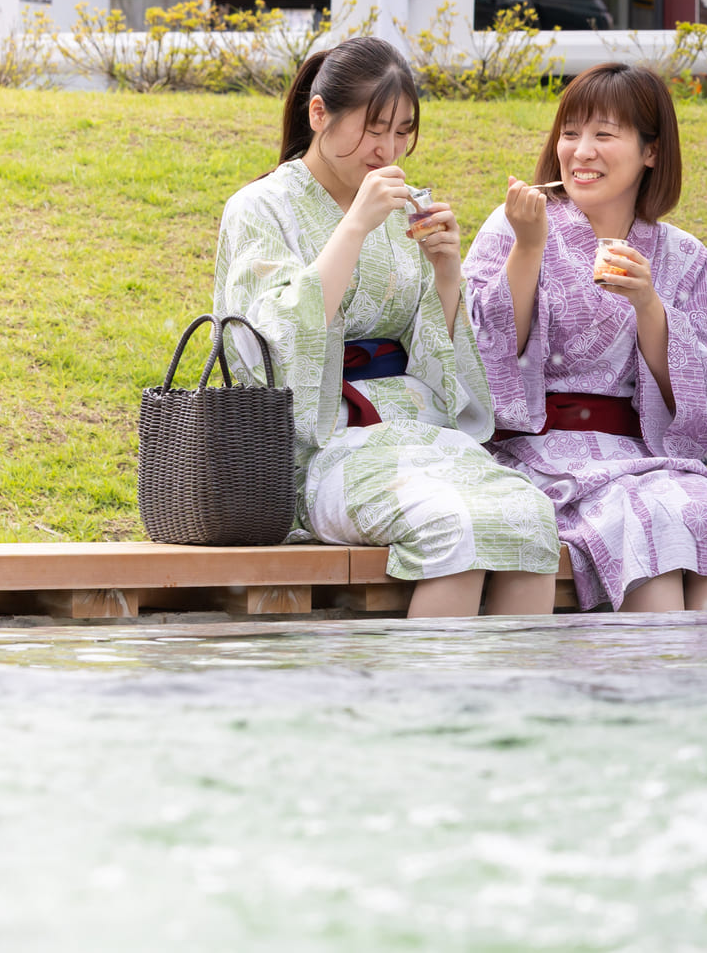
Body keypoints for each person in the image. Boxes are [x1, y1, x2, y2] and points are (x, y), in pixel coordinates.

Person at [213, 36, 559, 618]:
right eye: (375, 128)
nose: (389, 147)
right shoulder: (260, 207)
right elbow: (264, 343)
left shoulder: (400, 209)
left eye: (403, 131)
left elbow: (436, 350)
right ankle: (422, 701)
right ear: (319, 114)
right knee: (454, 526)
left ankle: (510, 704)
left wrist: (446, 269)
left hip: (414, 433)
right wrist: (352, 228)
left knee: (529, 519)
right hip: (319, 448)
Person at [465, 63, 707, 612]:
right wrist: (529, 249)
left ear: (651, 151)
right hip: (538, 451)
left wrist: (649, 304)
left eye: (604, 134)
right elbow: (482, 359)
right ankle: (635, 685)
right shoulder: (513, 227)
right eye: (571, 133)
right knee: (642, 519)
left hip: (642, 456)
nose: (581, 151)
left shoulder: (682, 255)